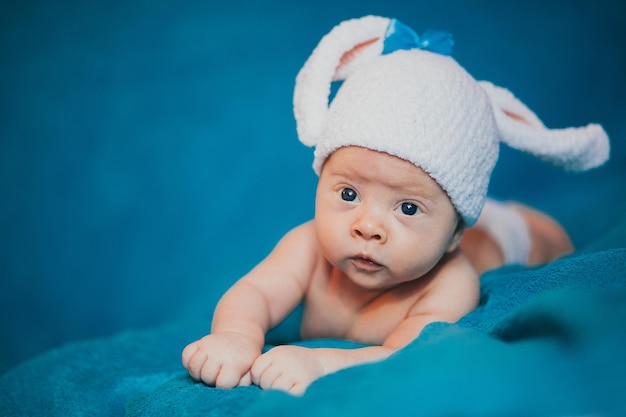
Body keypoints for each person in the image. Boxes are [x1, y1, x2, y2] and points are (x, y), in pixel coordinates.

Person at [182, 16, 609, 395]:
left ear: (453, 236)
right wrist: (236, 335)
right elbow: (255, 291)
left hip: (508, 233)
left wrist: (320, 363)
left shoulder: (448, 281)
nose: (368, 226)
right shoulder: (307, 247)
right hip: (451, 207)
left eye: (406, 208)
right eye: (349, 194)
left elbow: (405, 353)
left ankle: (497, 220)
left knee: (546, 240)